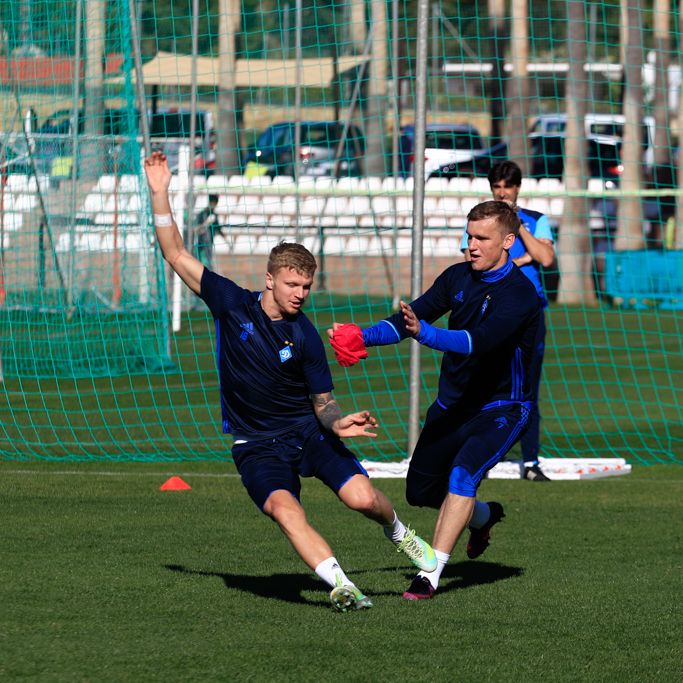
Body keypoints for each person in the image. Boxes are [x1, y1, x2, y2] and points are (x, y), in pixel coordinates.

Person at [143, 150, 435, 613]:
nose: (300, 294)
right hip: (256, 443)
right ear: (270, 280)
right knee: (285, 510)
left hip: (307, 432)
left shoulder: (306, 337)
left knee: (362, 499)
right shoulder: (231, 304)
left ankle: (400, 533)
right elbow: (175, 252)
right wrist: (160, 193)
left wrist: (338, 424)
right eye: (292, 284)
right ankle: (341, 584)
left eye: (307, 286)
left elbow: (324, 402)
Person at [329, 200, 542, 600]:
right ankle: (483, 516)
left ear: (508, 242)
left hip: (502, 407)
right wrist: (363, 336)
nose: (472, 245)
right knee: (421, 493)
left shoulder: (520, 295)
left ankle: (429, 573)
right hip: (452, 405)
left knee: (463, 474)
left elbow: (475, 343)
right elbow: (410, 318)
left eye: (483, 238)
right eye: (469, 236)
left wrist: (424, 333)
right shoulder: (456, 277)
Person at [460, 160, 555, 482]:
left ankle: (530, 461)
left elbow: (546, 258)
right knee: (482, 383)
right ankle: (477, 455)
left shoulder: (536, 221)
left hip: (528, 317)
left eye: (508, 187)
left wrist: (518, 226)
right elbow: (471, 260)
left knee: (528, 386)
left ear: (517, 189)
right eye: (497, 187)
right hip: (490, 312)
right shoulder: (480, 225)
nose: (502, 193)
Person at [194, 194, 223, 271]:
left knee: (209, 261)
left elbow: (218, 229)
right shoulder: (201, 214)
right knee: (198, 259)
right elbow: (195, 229)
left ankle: (209, 274)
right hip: (200, 241)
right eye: (213, 203)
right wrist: (205, 224)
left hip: (209, 242)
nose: (214, 205)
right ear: (210, 202)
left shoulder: (214, 215)